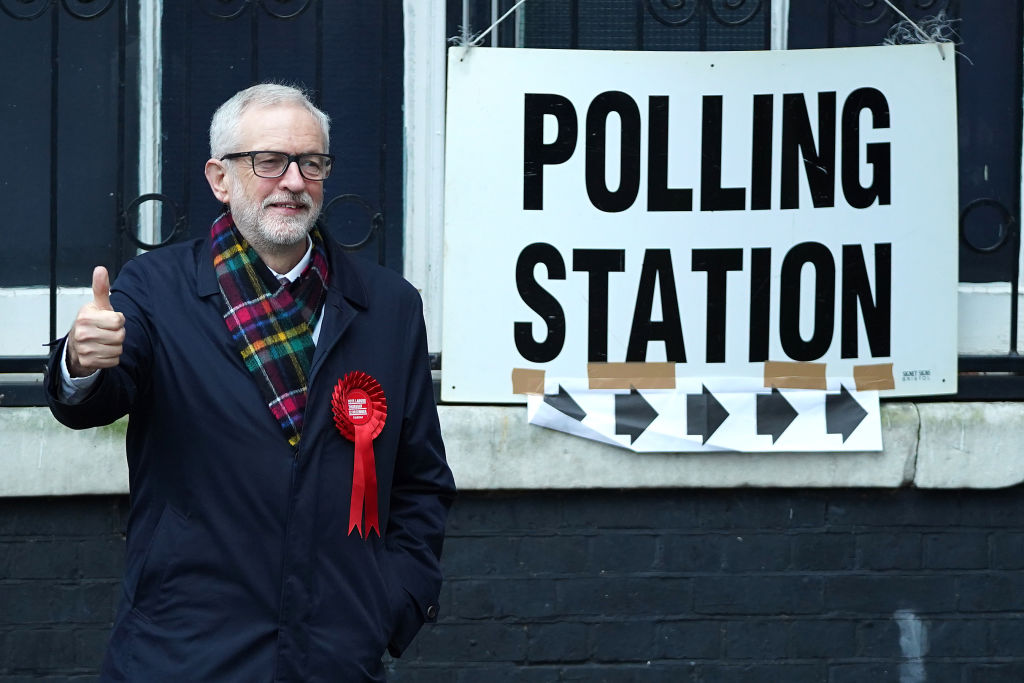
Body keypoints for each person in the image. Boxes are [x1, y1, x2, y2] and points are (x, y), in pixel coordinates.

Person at [45, 83, 456, 681]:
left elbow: (421, 481)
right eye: (268, 161)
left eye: (310, 163)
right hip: (181, 653)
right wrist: (82, 361)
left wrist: (391, 603)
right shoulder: (155, 290)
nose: (293, 181)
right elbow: (93, 401)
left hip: (335, 655)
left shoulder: (388, 306)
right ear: (220, 178)